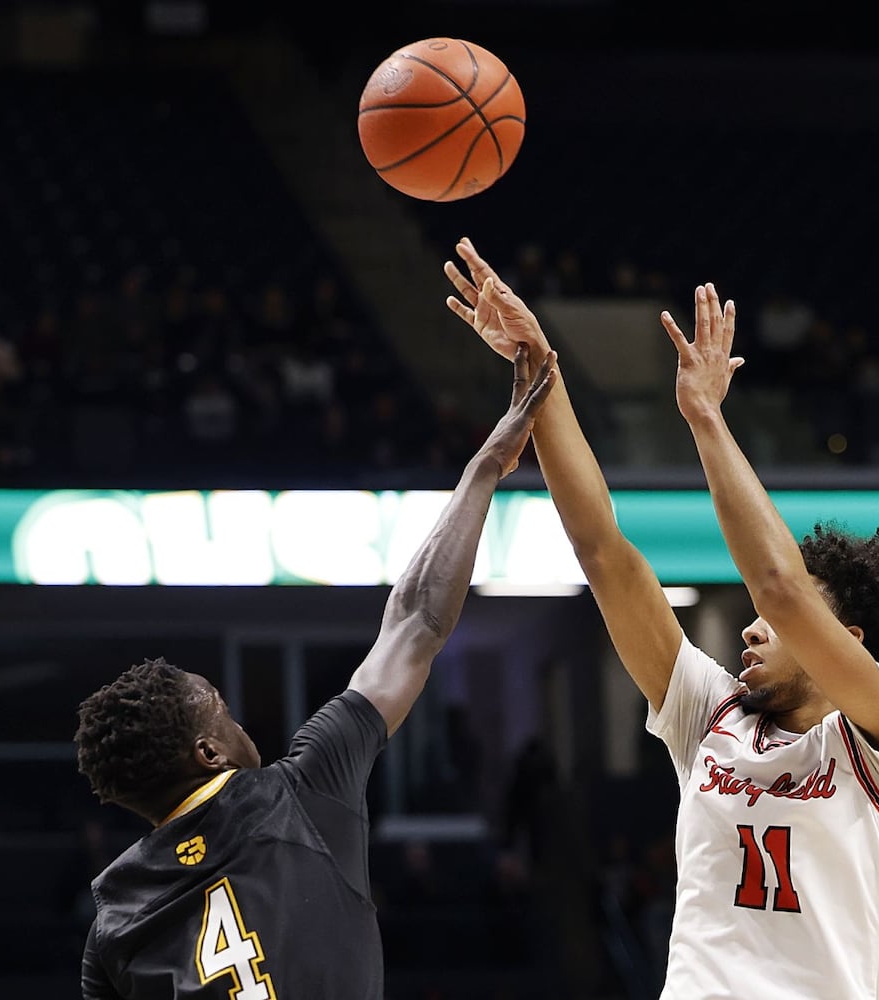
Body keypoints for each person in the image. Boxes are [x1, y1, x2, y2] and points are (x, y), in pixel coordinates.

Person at [445, 238, 879, 1000]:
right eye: (753, 620)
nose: (753, 628)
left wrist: (704, 417)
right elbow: (600, 549)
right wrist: (538, 368)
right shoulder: (708, 716)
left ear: (847, 644)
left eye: (775, 624)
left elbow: (780, 587)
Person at [72, 344, 557, 999]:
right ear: (209, 751)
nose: (239, 717)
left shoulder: (111, 924)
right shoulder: (301, 793)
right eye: (218, 705)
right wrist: (486, 465)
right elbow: (416, 621)